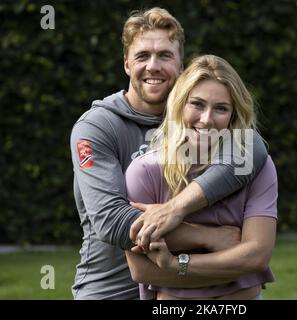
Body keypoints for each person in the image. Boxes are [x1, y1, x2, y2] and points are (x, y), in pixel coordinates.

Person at [70, 8, 268, 299]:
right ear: (126, 63)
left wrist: (176, 209)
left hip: (187, 285)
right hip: (112, 289)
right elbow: (112, 220)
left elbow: (252, 148)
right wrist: (207, 236)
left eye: (164, 55)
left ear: (180, 65)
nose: (153, 66)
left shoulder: (199, 120)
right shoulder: (96, 128)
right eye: (142, 56)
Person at [125, 55, 278, 300]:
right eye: (197, 104)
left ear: (233, 116)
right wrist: (215, 243)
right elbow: (142, 269)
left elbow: (256, 256)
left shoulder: (256, 166)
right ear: (180, 104)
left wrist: (176, 264)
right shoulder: (145, 171)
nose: (206, 119)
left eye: (221, 108)